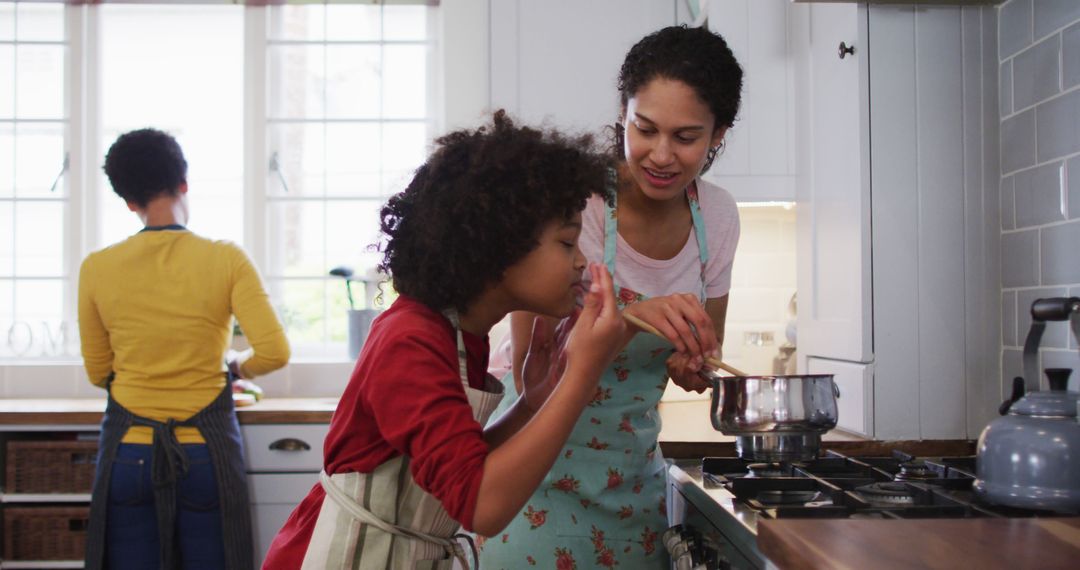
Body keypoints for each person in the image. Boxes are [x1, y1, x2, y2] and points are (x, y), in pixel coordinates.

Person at [261, 111, 627, 569]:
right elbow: (482, 506)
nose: (581, 262)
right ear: (502, 245)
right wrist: (583, 372)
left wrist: (531, 404)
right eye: (567, 243)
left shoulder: (458, 335)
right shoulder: (410, 340)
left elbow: (455, 469)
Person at [479, 25, 742, 568]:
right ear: (623, 112)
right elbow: (535, 373)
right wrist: (633, 317)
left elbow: (696, 359)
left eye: (686, 137)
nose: (661, 155)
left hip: (631, 485)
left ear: (719, 134)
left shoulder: (716, 218)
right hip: (533, 477)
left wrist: (691, 363)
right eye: (645, 128)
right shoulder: (572, 202)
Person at [79, 128, 290, 570]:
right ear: (184, 182)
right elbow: (274, 352)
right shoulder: (226, 259)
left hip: (129, 452)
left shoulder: (97, 268)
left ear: (129, 201)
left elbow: (99, 372)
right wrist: (235, 368)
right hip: (205, 454)